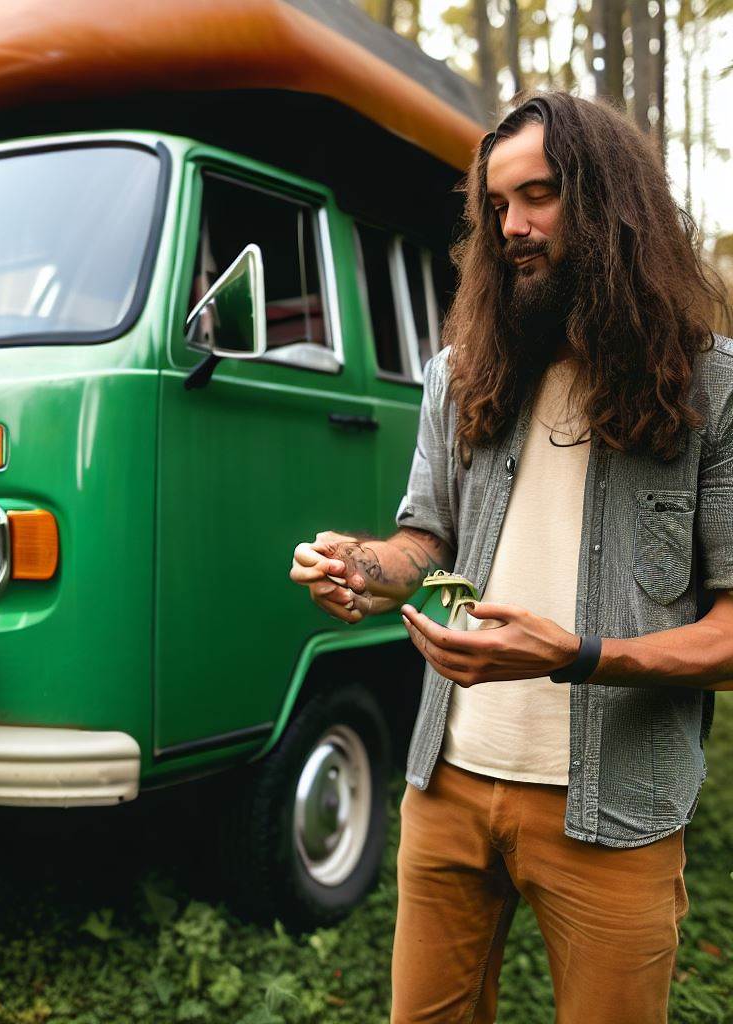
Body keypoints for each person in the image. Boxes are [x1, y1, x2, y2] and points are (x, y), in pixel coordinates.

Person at [289, 91, 733, 1024]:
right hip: (444, 786)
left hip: (617, 815)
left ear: (615, 205)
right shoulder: (463, 370)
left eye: (539, 197)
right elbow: (428, 539)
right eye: (497, 206)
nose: (513, 228)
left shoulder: (712, 387)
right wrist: (364, 569)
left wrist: (575, 656)